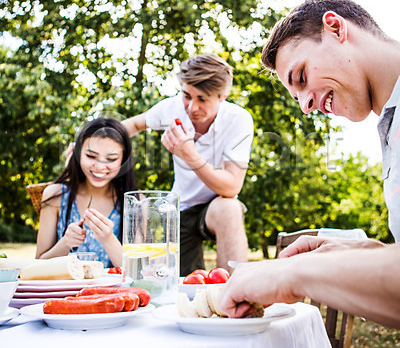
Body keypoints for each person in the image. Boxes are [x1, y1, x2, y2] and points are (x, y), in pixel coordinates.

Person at [219, 0, 400, 348]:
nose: (305, 104)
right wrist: (367, 253)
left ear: (336, 28)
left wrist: (293, 275)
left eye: (300, 77)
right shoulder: (390, 125)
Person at [123, 54, 254, 275]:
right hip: (181, 208)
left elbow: (232, 187)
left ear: (223, 96)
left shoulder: (238, 119)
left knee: (230, 207)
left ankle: (237, 295)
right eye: (186, 96)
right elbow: (134, 124)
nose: (192, 108)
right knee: (182, 285)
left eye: (202, 99)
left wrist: (190, 155)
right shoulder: (172, 108)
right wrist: (88, 140)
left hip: (216, 205)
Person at [36, 117, 138, 267]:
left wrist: (108, 238)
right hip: (66, 290)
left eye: (111, 159)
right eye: (91, 156)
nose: (99, 166)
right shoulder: (55, 196)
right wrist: (65, 243)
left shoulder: (135, 202)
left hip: (114, 291)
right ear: (78, 153)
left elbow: (137, 273)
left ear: (123, 160)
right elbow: (38, 265)